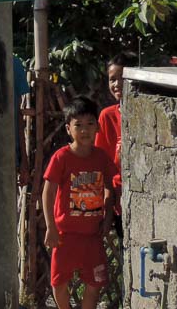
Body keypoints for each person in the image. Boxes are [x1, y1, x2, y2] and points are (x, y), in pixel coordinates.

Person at [43, 96, 118, 309]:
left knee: (95, 284)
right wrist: (51, 227)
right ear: (68, 129)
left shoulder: (101, 158)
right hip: (65, 235)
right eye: (78, 125)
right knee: (58, 283)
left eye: (90, 124)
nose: (85, 130)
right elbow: (48, 193)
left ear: (98, 127)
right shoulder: (62, 158)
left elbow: (109, 188)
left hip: (92, 236)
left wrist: (107, 218)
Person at [94, 58, 125, 240]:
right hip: (118, 199)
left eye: (122, 77)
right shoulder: (107, 116)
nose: (117, 84)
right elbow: (102, 165)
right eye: (112, 79)